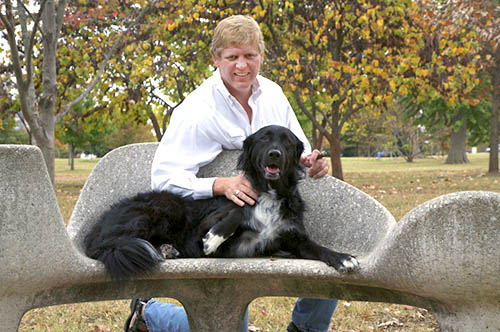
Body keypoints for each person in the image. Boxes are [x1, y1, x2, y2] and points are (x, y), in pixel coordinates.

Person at [125, 15, 337, 332]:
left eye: (250, 56)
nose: (242, 66)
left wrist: (314, 162)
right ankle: (147, 313)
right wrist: (221, 184)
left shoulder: (274, 95)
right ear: (216, 59)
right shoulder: (196, 111)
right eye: (232, 57)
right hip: (224, 226)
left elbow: (300, 150)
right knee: (228, 328)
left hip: (275, 218)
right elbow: (164, 180)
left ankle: (304, 328)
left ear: (261, 56)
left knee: (329, 267)